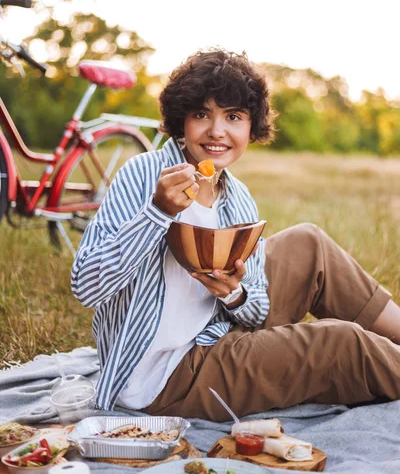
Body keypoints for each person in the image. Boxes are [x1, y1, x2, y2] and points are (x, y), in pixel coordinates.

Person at [72, 48, 400, 421]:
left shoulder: (237, 197)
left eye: (233, 116)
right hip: (167, 378)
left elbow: (257, 309)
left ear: (251, 126)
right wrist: (157, 212)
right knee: (341, 344)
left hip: (220, 330)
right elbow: (86, 286)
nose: (217, 131)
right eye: (201, 114)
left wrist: (234, 293)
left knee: (309, 242)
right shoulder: (143, 176)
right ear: (181, 121)